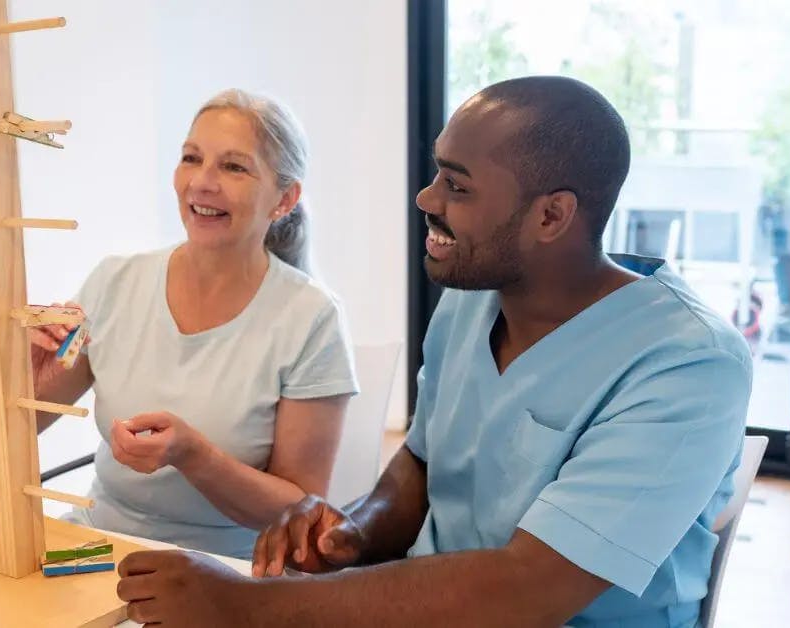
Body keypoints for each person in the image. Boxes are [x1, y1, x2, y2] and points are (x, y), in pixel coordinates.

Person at [112, 76, 753, 627]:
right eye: (436, 172)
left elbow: (530, 591)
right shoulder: (475, 296)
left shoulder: (688, 363)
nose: (426, 200)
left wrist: (252, 607)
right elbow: (422, 462)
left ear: (552, 216)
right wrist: (354, 531)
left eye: (458, 186)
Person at [0, 88, 359, 560]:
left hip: (229, 571)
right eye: (191, 158)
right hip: (97, 547)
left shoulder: (311, 319)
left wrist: (195, 456)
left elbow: (302, 511)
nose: (202, 183)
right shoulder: (115, 281)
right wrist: (20, 372)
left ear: (284, 198)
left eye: (234, 167)